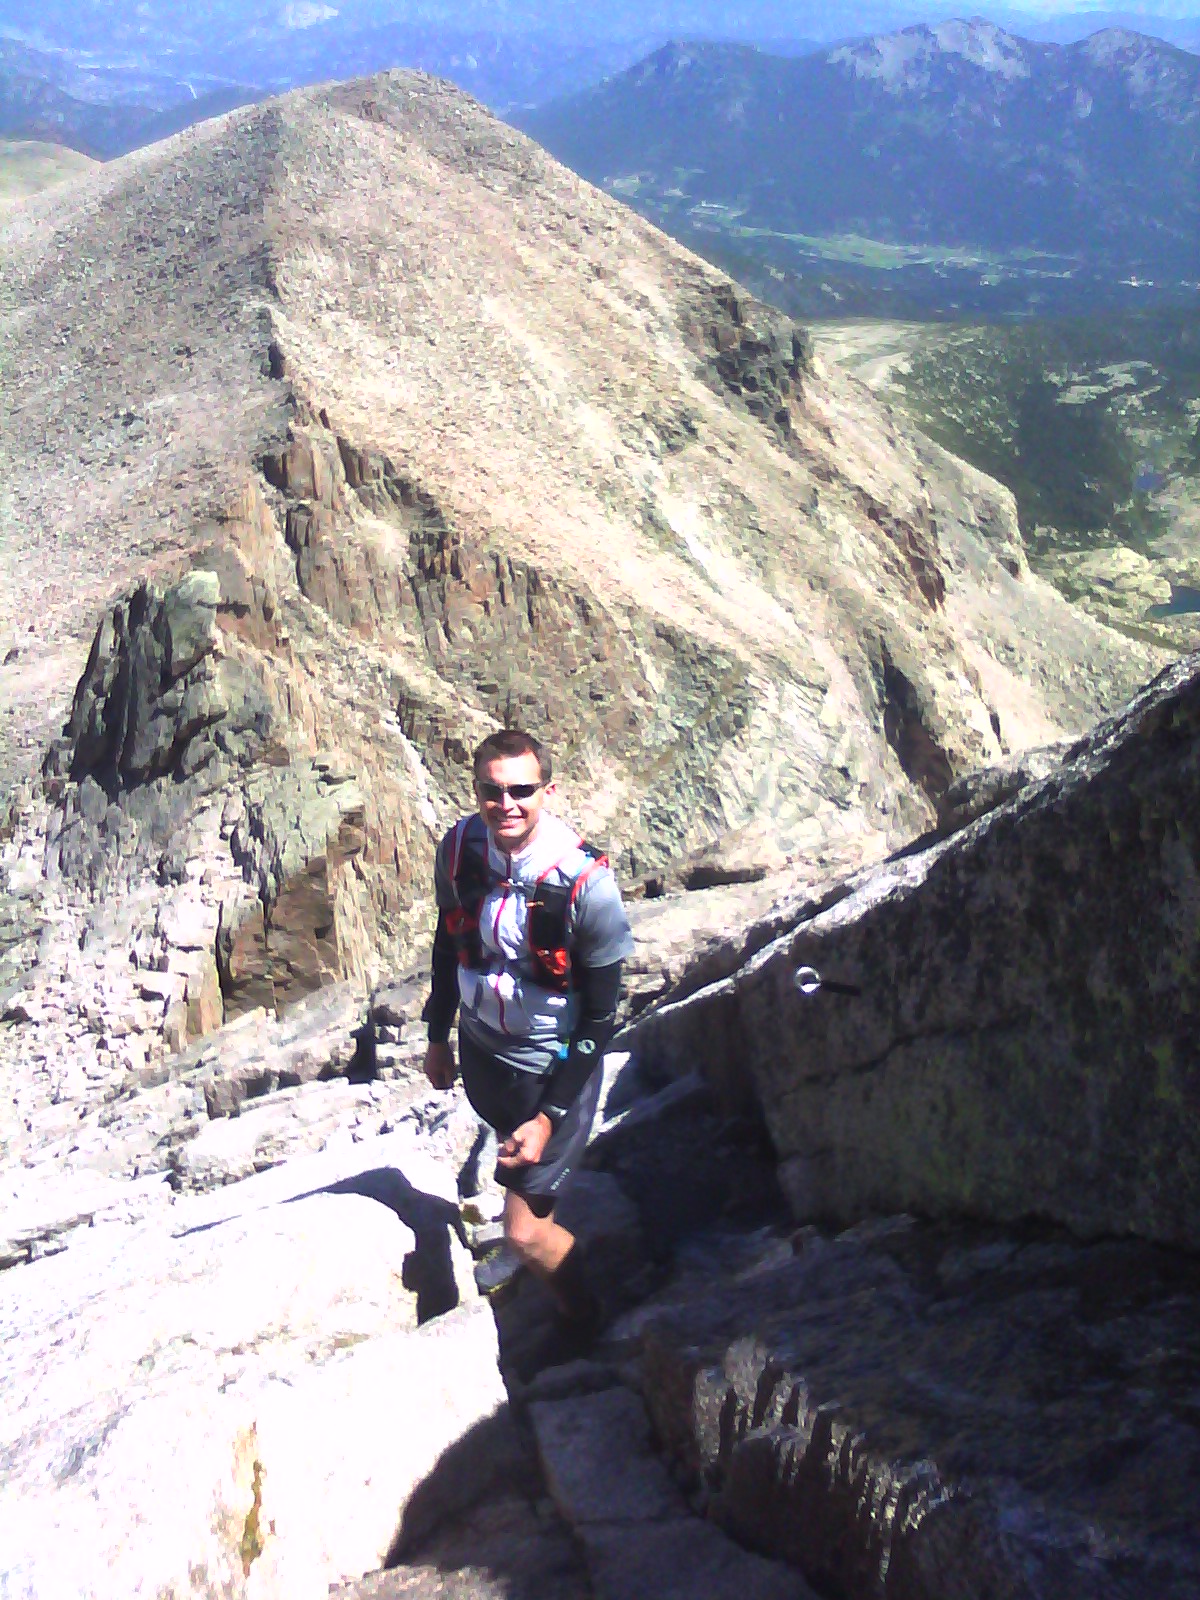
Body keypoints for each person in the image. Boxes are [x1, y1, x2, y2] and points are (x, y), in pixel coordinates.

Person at [422, 728, 634, 1328]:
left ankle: (592, 1318)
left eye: (521, 790)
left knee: (524, 1232)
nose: (505, 804)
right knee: (520, 1188)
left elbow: (600, 1015)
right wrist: (438, 1036)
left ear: (548, 790)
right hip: (484, 1049)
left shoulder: (588, 887)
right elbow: (449, 940)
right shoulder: (461, 849)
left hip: (548, 1068)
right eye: (492, 791)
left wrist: (548, 1118)